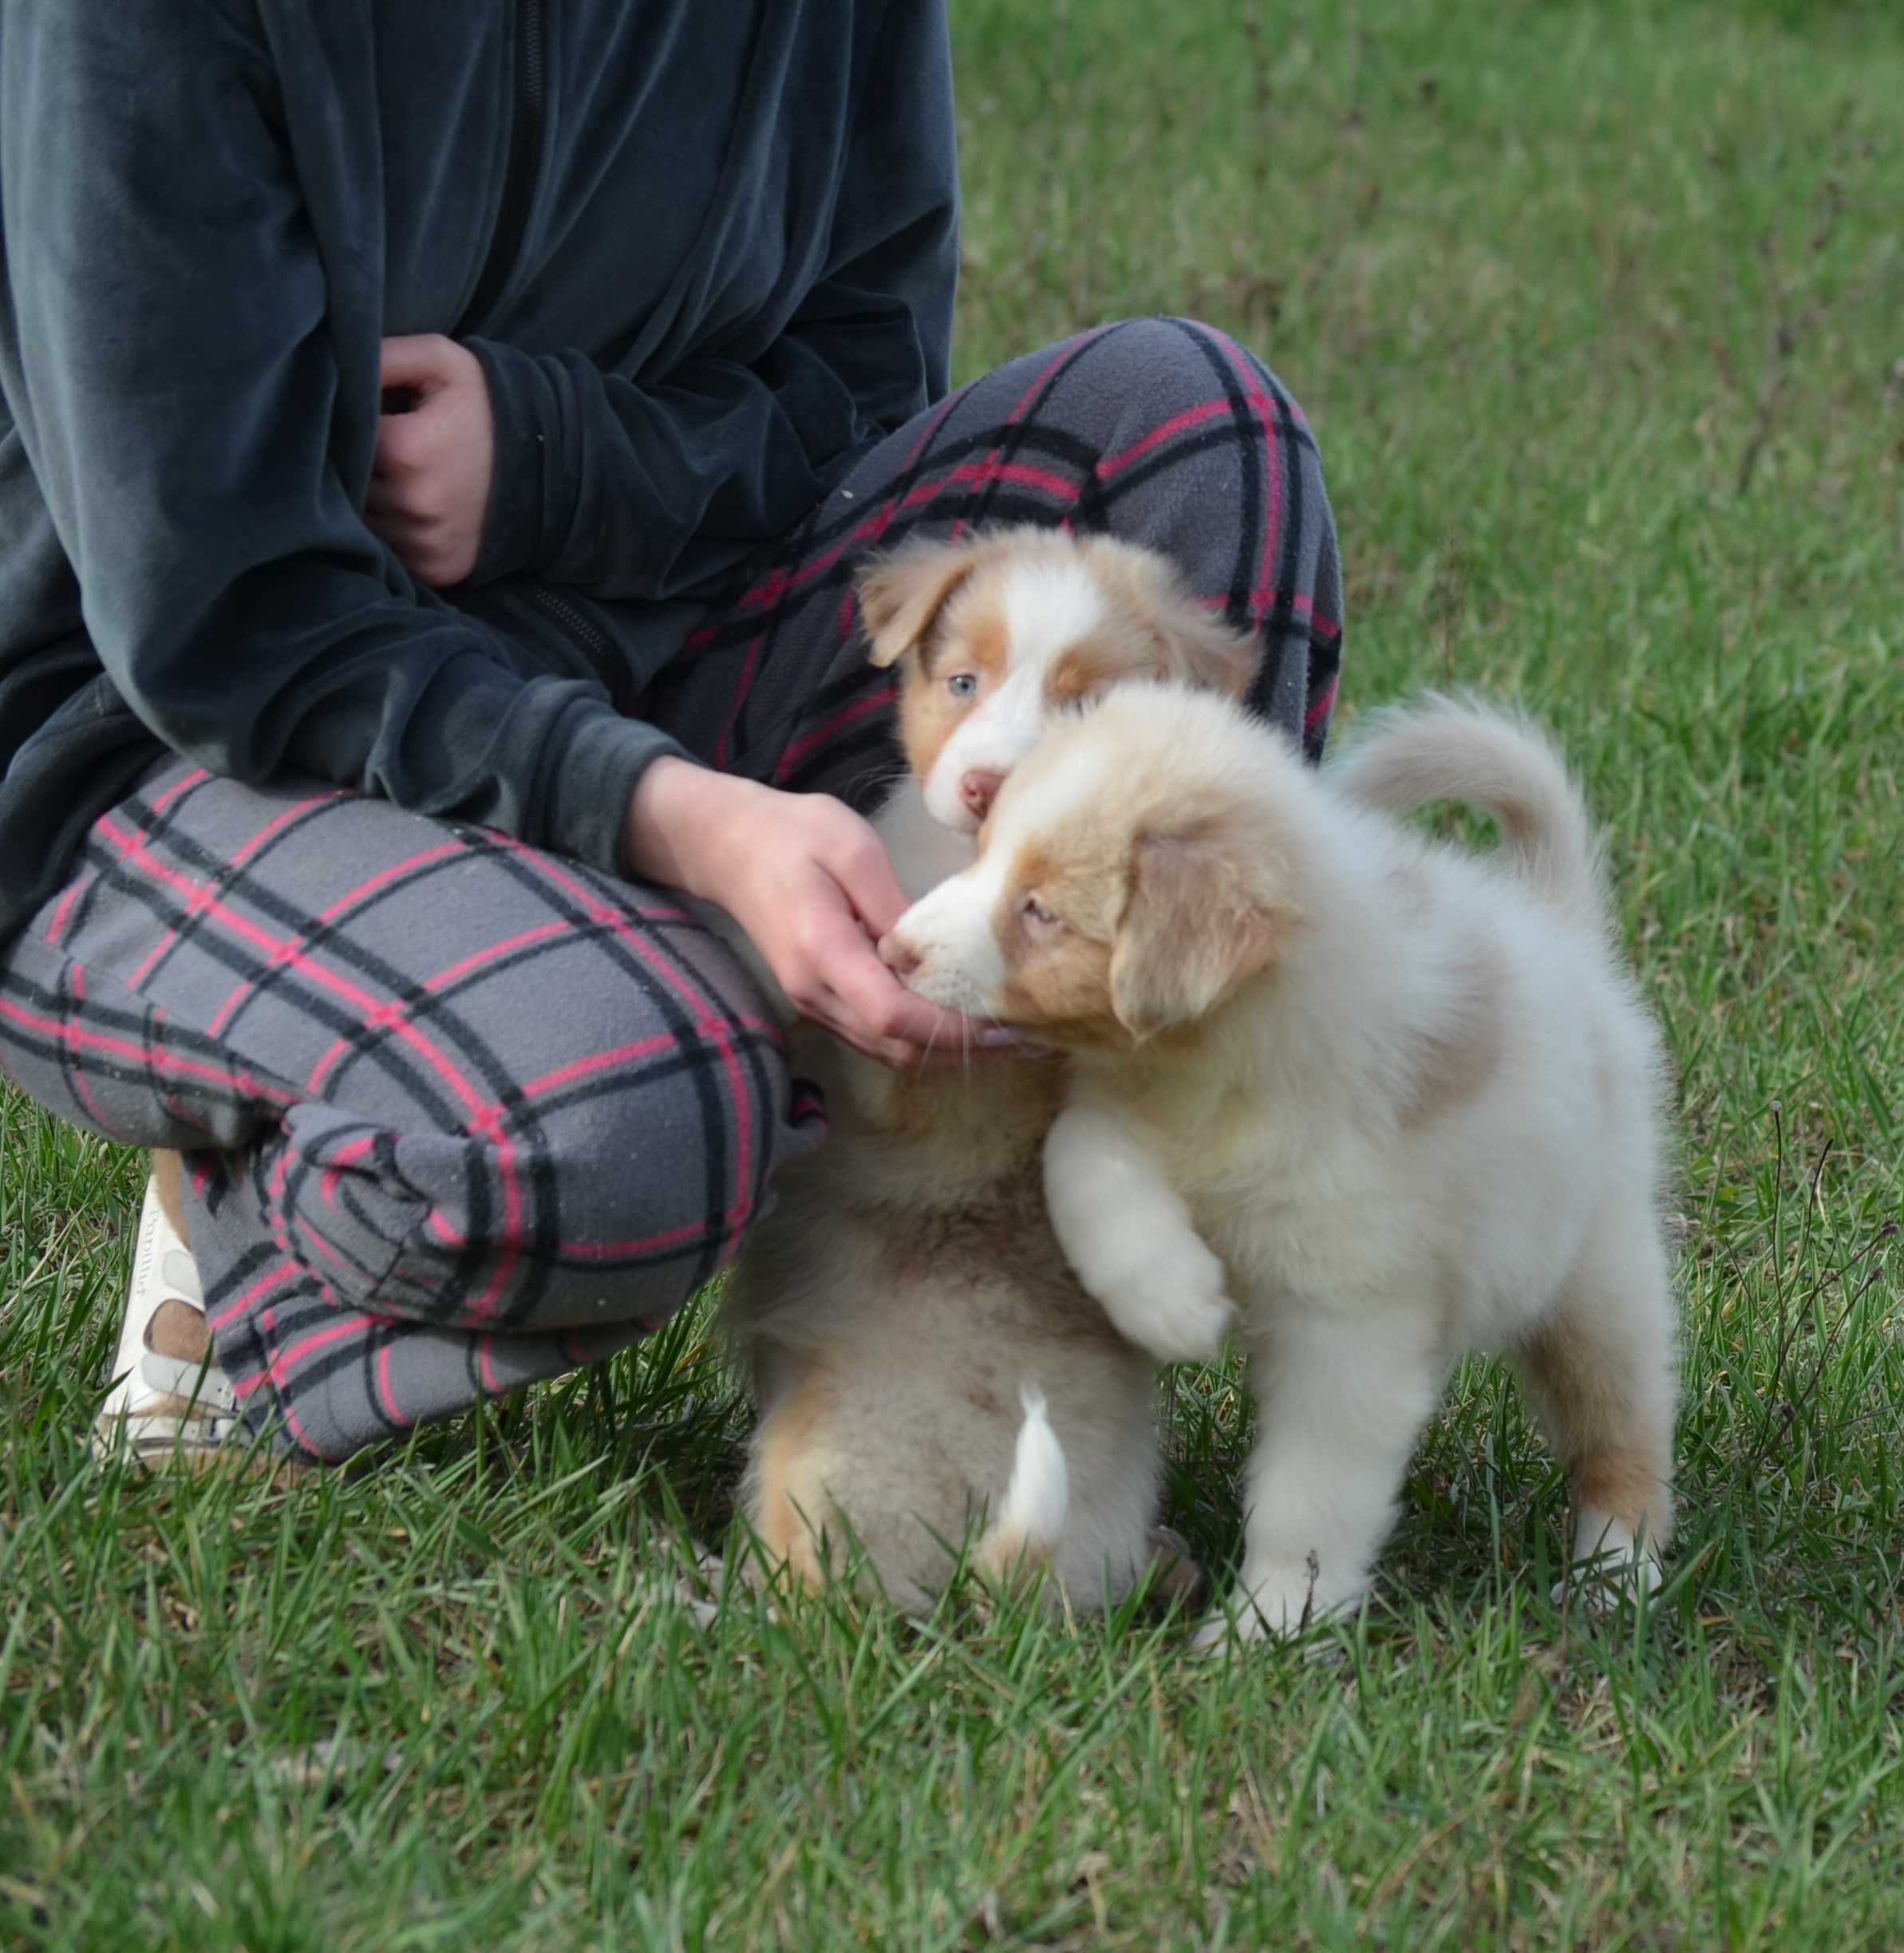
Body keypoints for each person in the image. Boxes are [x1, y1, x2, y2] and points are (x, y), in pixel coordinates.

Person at [0, 2, 1342, 1467]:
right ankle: (255, 1219)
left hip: (657, 633)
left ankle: (1015, 1330)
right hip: (178, 740)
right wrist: (683, 819)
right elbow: (217, 609)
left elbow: (859, 379)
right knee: (649, 1117)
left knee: (1202, 445)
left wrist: (548, 456)